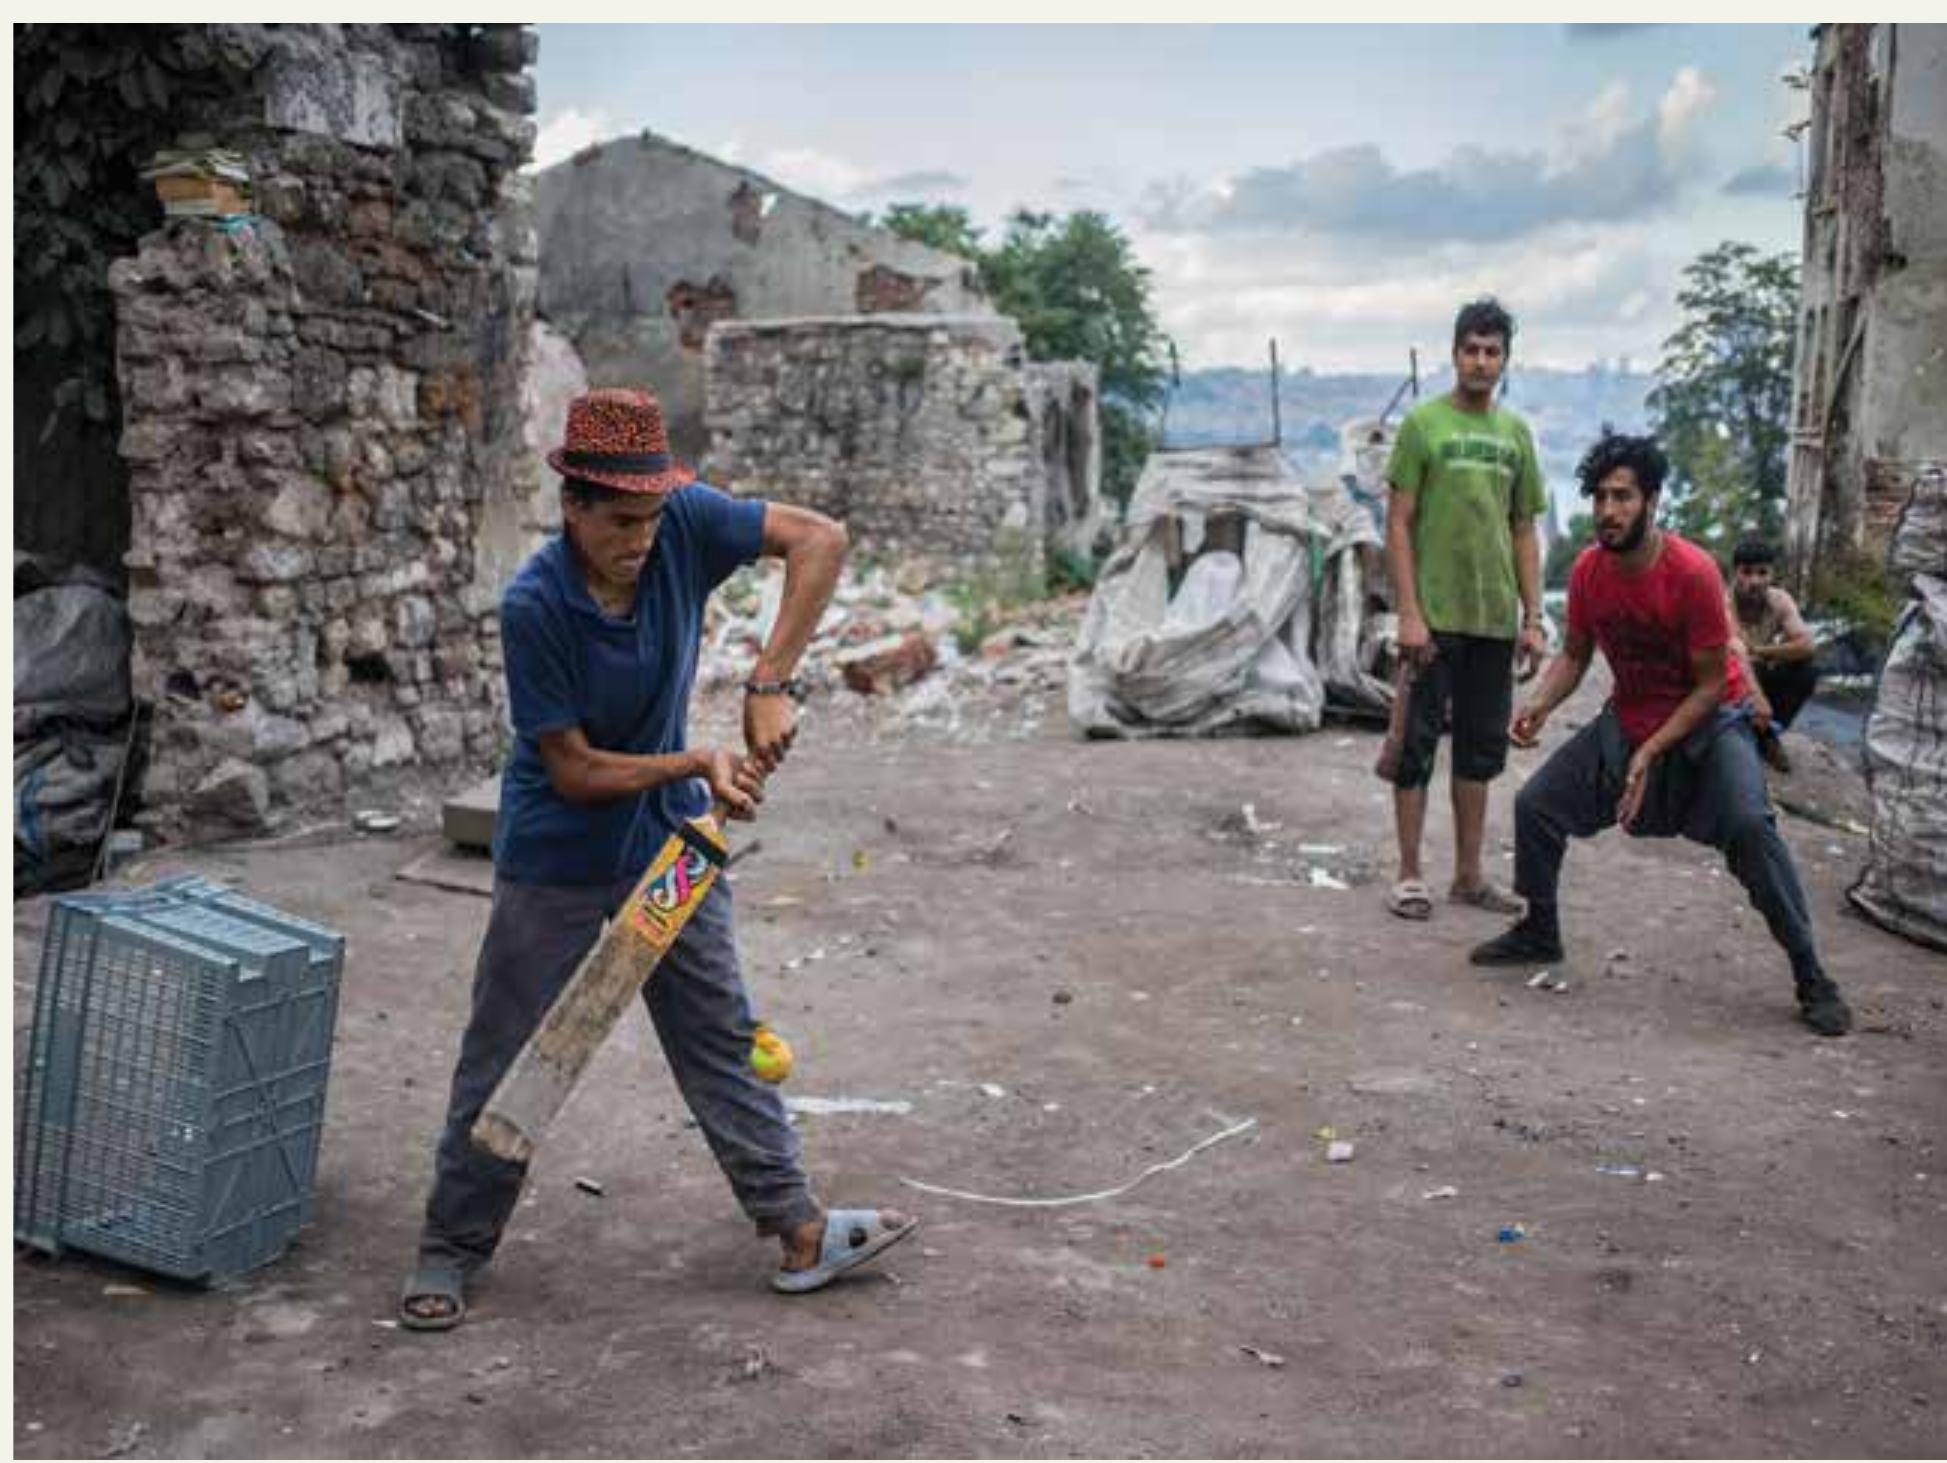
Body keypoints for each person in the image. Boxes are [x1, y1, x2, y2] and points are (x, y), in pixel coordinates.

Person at [399, 388, 914, 1330]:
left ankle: (796, 1227)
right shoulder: (535, 606)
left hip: (670, 842)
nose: (643, 538)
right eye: (621, 522)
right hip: (556, 851)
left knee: (716, 1027)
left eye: (652, 517)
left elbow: (820, 539)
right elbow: (576, 768)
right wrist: (697, 758)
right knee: (513, 1048)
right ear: (574, 508)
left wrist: (770, 681)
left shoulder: (684, 522)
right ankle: (451, 1244)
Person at [1469, 432, 1852, 1038]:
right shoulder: (1591, 571)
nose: (1607, 511)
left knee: (1751, 829)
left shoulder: (1693, 573)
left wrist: (1649, 752)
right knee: (1536, 805)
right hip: (1631, 716)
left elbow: (1707, 688)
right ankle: (1538, 932)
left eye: (1622, 497)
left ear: (1652, 501)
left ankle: (1812, 975)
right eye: (1598, 497)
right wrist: (1538, 705)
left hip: (1711, 722)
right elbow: (1574, 655)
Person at [1382, 298, 1548, 920]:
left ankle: (1470, 876)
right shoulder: (1425, 426)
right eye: (1471, 350)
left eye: (1492, 351)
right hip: (1435, 619)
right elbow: (1398, 522)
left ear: (1506, 361)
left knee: (1480, 753)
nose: (1481, 362)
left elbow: (1524, 529)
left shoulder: (1514, 436)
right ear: (1454, 354)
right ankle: (1408, 874)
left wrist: (1531, 620)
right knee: (1415, 747)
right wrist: (1409, 612)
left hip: (1492, 622)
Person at [1727, 537, 1819, 772]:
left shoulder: (1779, 600)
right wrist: (1757, 695)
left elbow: (1807, 644)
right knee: (1741, 667)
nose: (1754, 581)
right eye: (1746, 572)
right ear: (1735, 573)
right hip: (1727, 679)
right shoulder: (1724, 601)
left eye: (1762, 573)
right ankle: (1747, 734)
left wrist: (1761, 651)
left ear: (1772, 574)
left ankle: (1767, 735)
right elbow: (1736, 652)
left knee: (1807, 670)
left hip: (1758, 665)